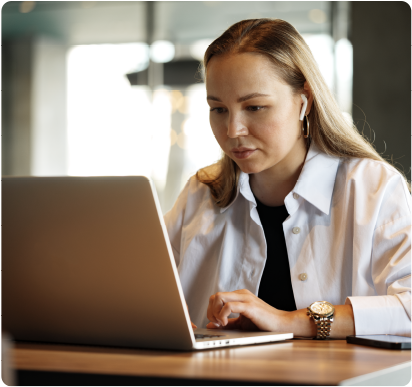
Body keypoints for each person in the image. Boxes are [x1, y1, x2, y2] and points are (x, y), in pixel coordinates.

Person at [164, 18, 412, 339]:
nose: (233, 131)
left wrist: (289, 321)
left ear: (303, 102)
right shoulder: (202, 192)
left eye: (254, 107)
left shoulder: (372, 188)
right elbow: (142, 293)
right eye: (219, 109)